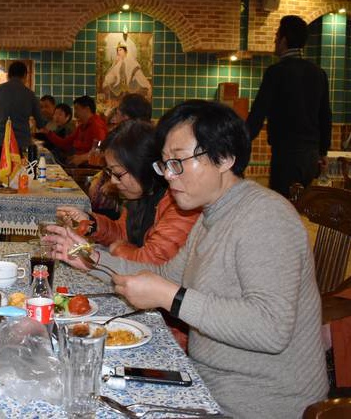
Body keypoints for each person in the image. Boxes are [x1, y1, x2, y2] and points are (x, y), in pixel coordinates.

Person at [46, 100, 328, 418]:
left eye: (178, 162)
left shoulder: (266, 216)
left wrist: (172, 298)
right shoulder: (211, 216)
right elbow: (166, 275)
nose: (168, 175)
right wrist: (91, 257)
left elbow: (270, 328)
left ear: (225, 157)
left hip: (257, 402)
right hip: (204, 380)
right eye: (164, 164)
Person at [54, 120, 200, 264]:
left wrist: (118, 250)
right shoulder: (142, 194)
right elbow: (123, 233)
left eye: (118, 174)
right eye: (110, 172)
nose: (113, 181)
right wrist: (89, 223)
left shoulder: (180, 204)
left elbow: (153, 261)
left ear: (142, 168)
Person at [246, 15, 331, 198]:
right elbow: (325, 116)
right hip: (310, 157)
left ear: (284, 40)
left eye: (277, 35)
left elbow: (258, 113)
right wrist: (323, 151)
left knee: (282, 206)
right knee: (302, 205)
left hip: (286, 155)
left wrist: (239, 141)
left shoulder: (276, 72)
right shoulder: (318, 73)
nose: (275, 40)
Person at [91, 93, 153, 214]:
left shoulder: (134, 142)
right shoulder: (143, 136)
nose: (115, 118)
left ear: (125, 117)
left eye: (117, 114)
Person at [0, 60, 45, 159]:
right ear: (25, 75)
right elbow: (40, 122)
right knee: (21, 168)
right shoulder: (30, 94)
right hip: (22, 142)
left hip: (2, 141)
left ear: (8, 75)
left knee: (2, 167)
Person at [40, 95, 107, 166]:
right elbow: (65, 143)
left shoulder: (97, 125)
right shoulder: (81, 127)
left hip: (90, 167)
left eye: (77, 109)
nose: (75, 113)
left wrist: (81, 158)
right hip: (79, 164)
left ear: (87, 109)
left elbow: (101, 150)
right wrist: (48, 133)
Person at [102, 32, 152, 102]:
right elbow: (112, 74)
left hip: (131, 90)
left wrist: (148, 86)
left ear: (125, 51)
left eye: (120, 50)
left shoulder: (132, 63)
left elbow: (139, 75)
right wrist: (106, 82)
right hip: (120, 90)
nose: (118, 52)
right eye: (117, 50)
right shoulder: (118, 64)